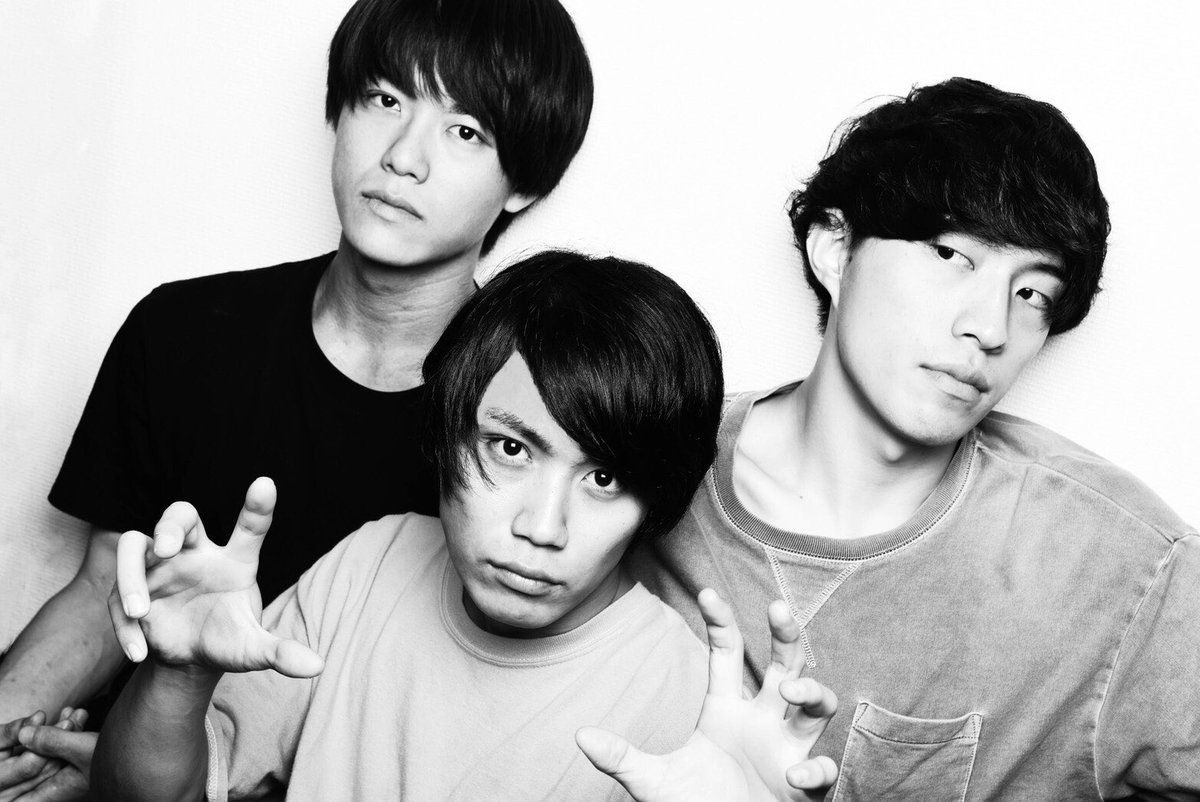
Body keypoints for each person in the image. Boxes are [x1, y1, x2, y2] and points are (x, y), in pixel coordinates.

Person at [0, 0, 593, 796]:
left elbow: (474, 701)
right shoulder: (181, 331)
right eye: (385, 98)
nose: (404, 158)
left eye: (464, 131)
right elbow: (109, 588)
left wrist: (173, 771)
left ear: (524, 183)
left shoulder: (528, 424)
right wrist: (45, 743)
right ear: (339, 111)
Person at [628, 78, 1200, 800]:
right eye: (951, 255)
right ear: (835, 249)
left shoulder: (1122, 568)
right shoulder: (638, 461)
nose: (989, 327)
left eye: (1032, 293)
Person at [91, 251, 839, 801]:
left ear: (655, 502)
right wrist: (177, 676)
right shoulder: (370, 563)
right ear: (447, 436)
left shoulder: (689, 698)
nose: (542, 528)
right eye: (511, 450)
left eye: (604, 479)